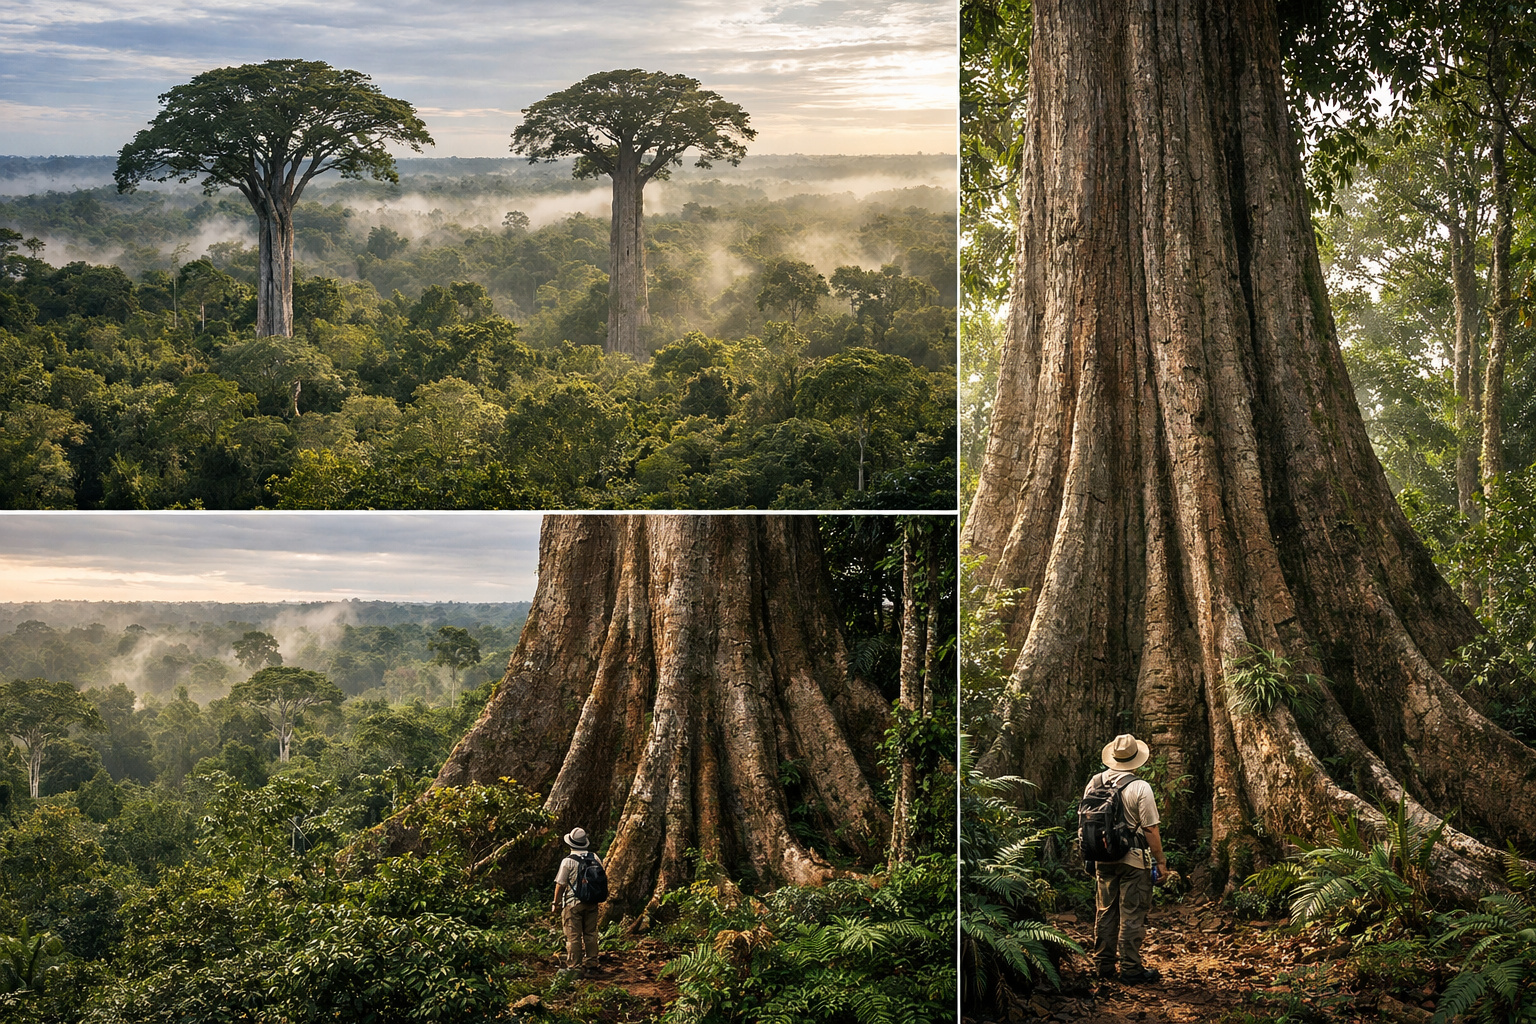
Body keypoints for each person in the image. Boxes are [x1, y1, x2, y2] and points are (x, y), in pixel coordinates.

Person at [1085, 733, 1168, 984]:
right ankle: (1131, 969)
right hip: (1133, 861)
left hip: (1101, 857)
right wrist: (1161, 862)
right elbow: (1151, 829)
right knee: (1132, 914)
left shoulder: (1095, 782)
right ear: (1137, 760)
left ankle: (1103, 965)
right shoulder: (1140, 787)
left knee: (1105, 911)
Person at [551, 827, 604, 975]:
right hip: (592, 902)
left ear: (571, 844)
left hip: (573, 903)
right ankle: (592, 963)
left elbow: (560, 884)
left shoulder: (567, 861)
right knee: (591, 933)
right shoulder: (595, 858)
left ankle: (574, 967)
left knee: (573, 936)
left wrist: (556, 904)